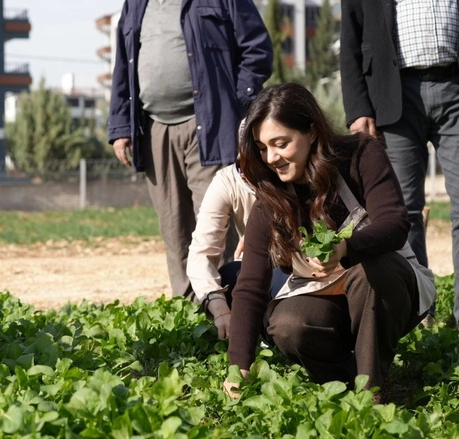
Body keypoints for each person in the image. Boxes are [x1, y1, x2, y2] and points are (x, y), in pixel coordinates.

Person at [223, 83, 436, 400]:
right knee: (288, 323)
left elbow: (394, 223)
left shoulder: (360, 155)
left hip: (389, 291)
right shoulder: (269, 201)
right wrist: (238, 368)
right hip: (326, 307)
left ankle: (371, 395)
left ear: (311, 132)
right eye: (262, 147)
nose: (271, 157)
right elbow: (250, 287)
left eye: (281, 144)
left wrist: (347, 248)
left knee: (371, 271)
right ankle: (343, 382)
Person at [108, 0, 273, 299]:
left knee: (214, 226)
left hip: (211, 125)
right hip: (154, 127)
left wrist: (236, 105)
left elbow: (257, 48)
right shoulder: (134, 4)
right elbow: (123, 63)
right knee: (174, 229)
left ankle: (226, 307)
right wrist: (120, 127)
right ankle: (188, 310)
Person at [340, 0, 459, 327]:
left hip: (455, 84)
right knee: (402, 213)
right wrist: (358, 108)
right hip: (392, 93)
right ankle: (418, 315)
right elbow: (350, 36)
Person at [186, 159, 288, 340]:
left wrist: (269, 237)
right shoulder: (227, 180)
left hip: (297, 267)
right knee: (229, 277)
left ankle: (279, 331)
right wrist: (218, 306)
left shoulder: (295, 169)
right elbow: (202, 250)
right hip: (258, 267)